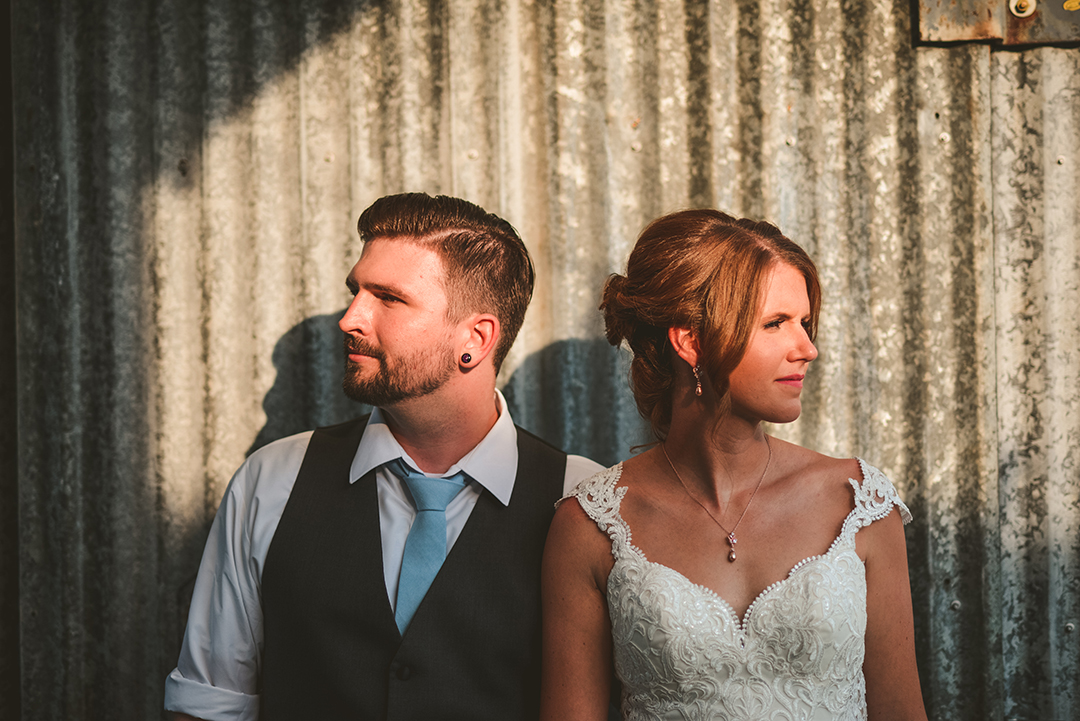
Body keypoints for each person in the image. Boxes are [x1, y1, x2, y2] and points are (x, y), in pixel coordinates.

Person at [164, 192, 603, 721]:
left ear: (475, 338)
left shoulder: (582, 501)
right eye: (356, 292)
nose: (351, 318)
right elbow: (208, 704)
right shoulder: (272, 479)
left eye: (388, 298)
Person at [540, 209, 928, 720]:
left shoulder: (859, 505)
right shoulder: (590, 525)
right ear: (691, 341)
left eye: (806, 324)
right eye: (776, 324)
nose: (807, 349)